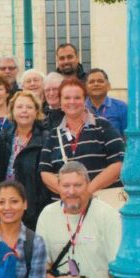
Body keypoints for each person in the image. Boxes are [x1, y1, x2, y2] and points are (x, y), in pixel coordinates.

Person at [38, 77, 125, 208]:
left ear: (85, 101)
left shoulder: (103, 126)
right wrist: (68, 192)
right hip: (66, 208)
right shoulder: (53, 135)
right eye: (67, 98)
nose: (72, 102)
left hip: (101, 204)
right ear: (60, 102)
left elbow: (118, 164)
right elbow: (45, 172)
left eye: (77, 98)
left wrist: (87, 190)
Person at [2, 90, 49, 228]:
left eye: (29, 107)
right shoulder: (4, 136)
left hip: (34, 209)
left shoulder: (45, 138)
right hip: (6, 205)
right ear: (12, 111)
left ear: (36, 112)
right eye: (19, 107)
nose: (24, 111)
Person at [84, 68, 128, 136]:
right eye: (91, 82)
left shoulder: (121, 107)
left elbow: (128, 137)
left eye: (100, 81)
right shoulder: (80, 109)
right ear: (85, 87)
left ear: (108, 86)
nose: (96, 84)